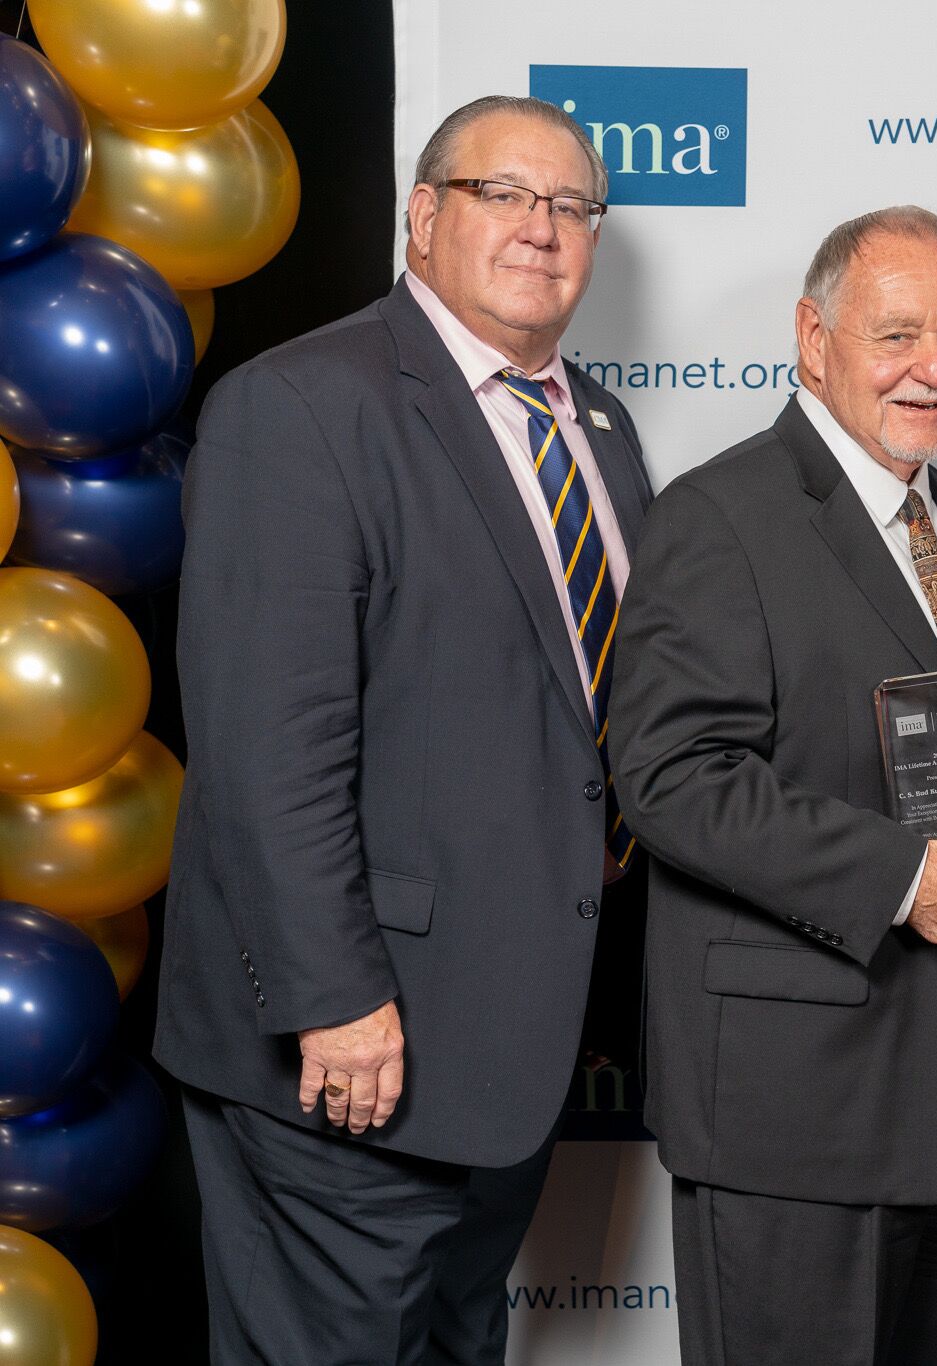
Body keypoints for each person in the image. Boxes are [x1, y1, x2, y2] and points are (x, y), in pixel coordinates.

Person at [155, 95, 652, 1364]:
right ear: (422, 216)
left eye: (571, 206)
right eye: (505, 195)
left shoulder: (598, 429)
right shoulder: (302, 406)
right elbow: (268, 747)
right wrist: (333, 998)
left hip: (506, 1050)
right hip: (352, 1053)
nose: (541, 229)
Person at [609, 205, 937, 1366]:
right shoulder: (721, 514)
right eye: (896, 336)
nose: (932, 369)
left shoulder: (936, 508)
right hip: (802, 1107)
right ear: (810, 338)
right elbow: (672, 777)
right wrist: (902, 876)